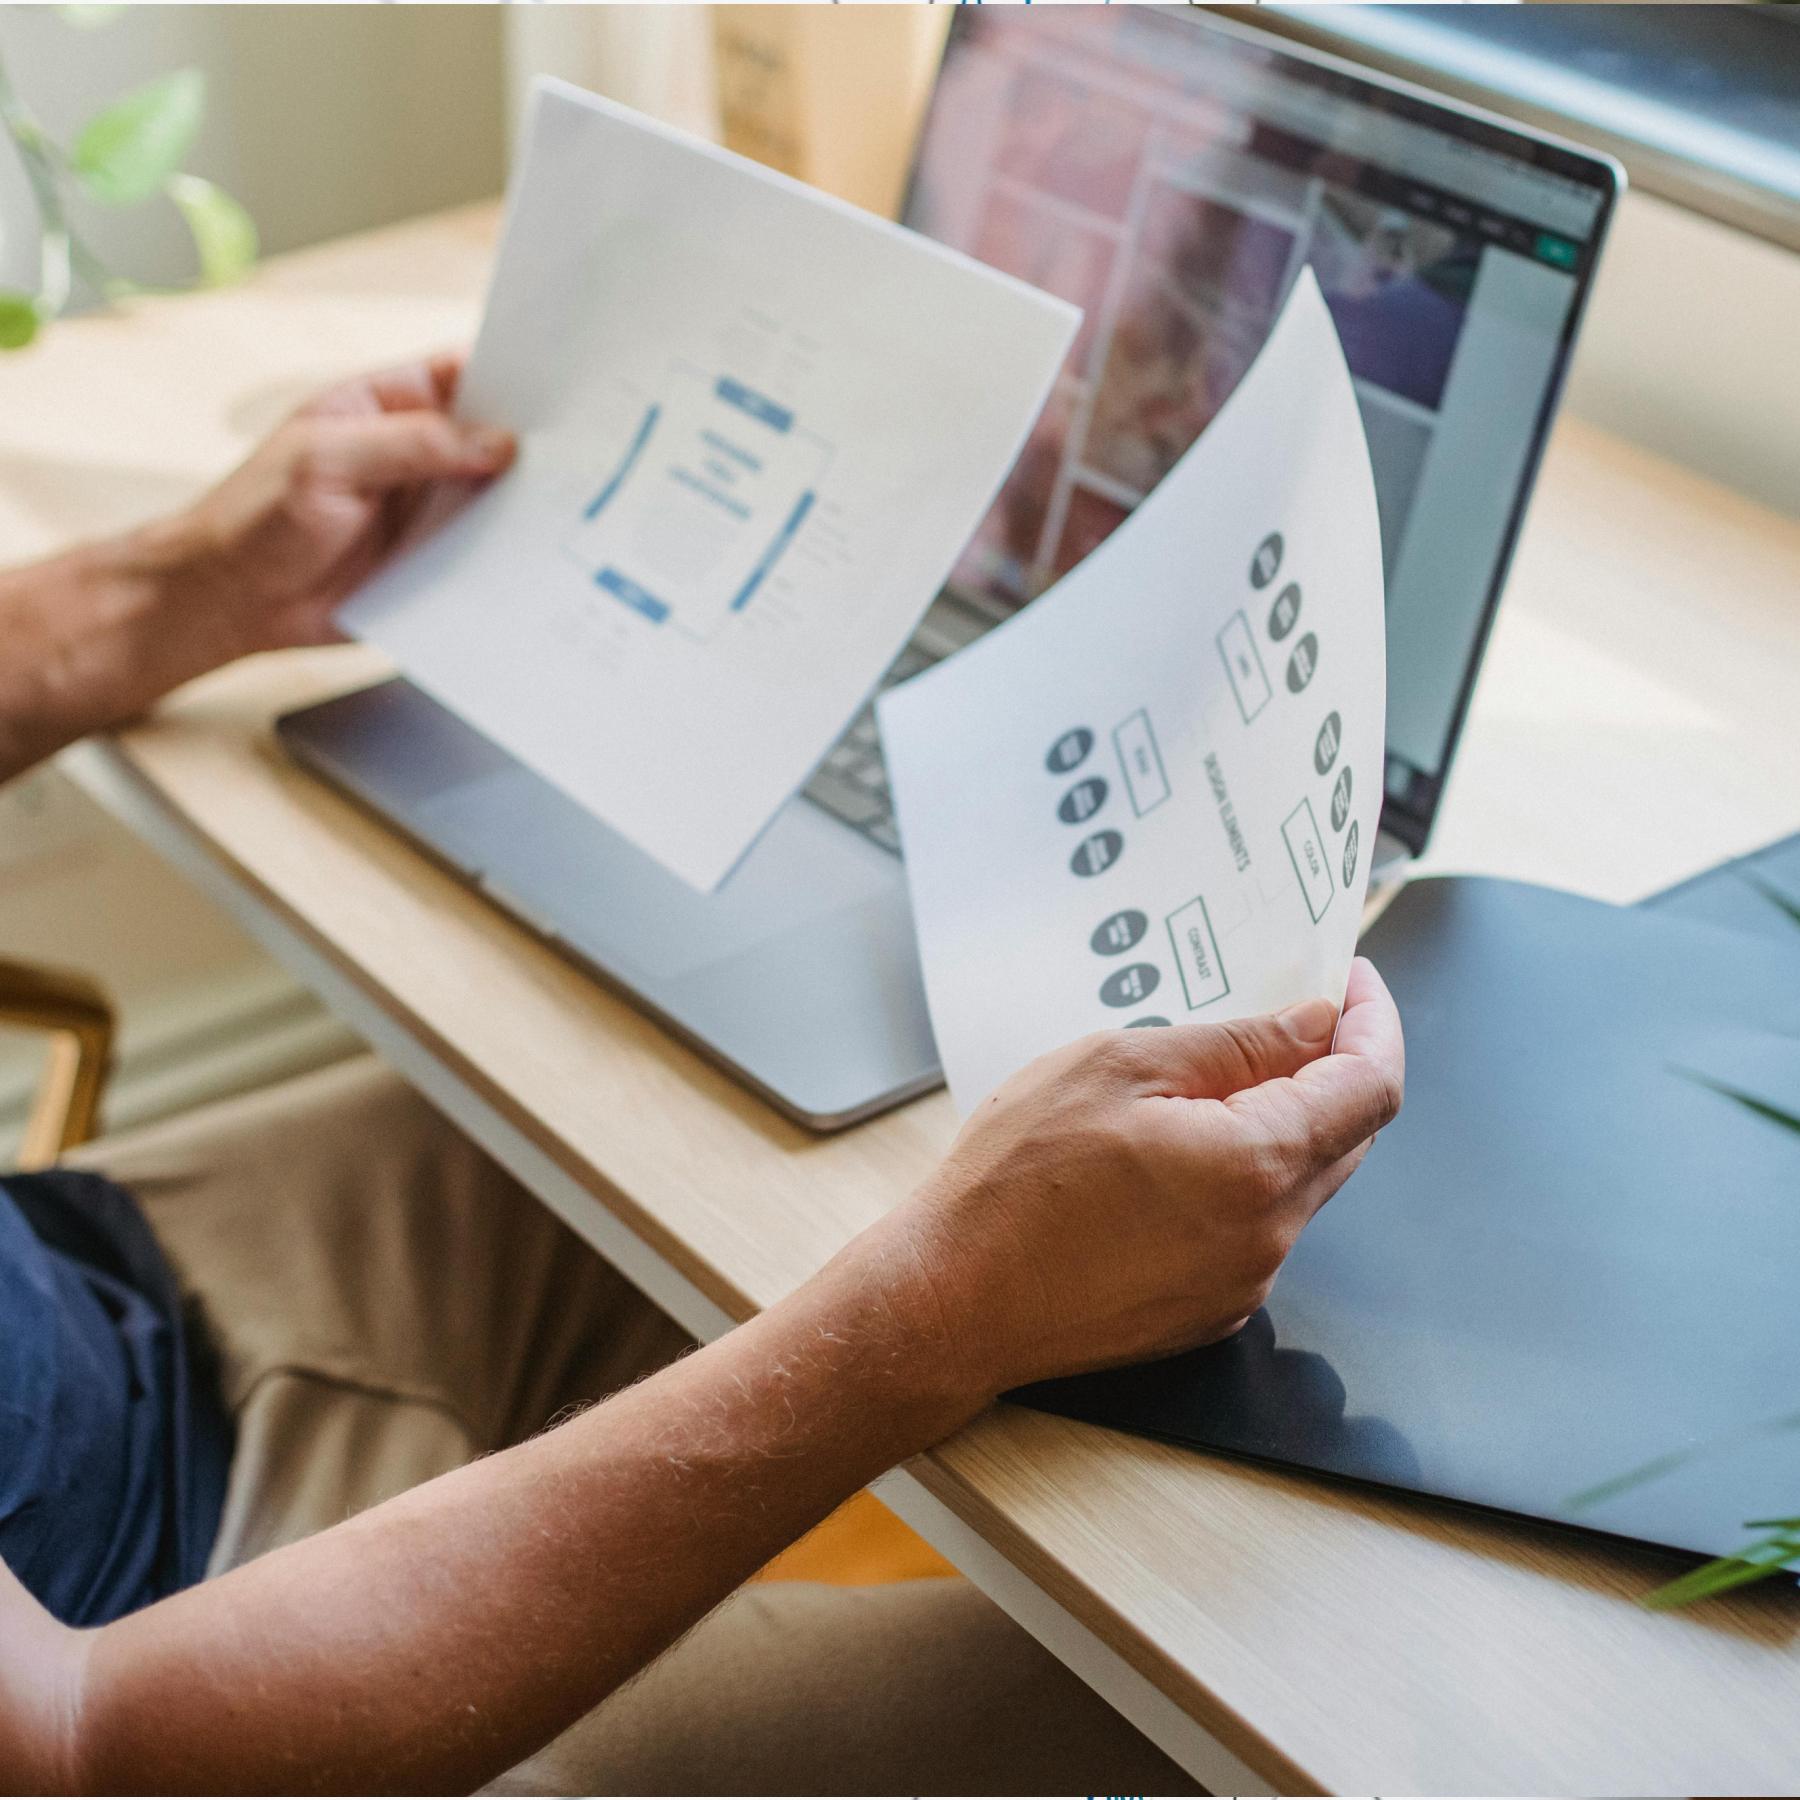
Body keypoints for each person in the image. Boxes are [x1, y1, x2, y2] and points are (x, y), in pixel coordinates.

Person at [0, 356, 1404, 1795]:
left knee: (736, 1117)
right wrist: (935, 1317)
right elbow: (80, 1748)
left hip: (85, 1303)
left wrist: (174, 588)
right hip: (159, 1681)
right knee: (1226, 1716)